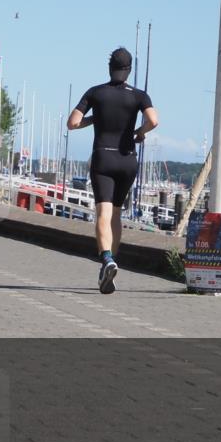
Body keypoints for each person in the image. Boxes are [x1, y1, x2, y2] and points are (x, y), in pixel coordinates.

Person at [67, 47, 158, 294]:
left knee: (103, 214)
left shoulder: (95, 93)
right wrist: (139, 133)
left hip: (103, 158)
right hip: (127, 159)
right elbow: (153, 120)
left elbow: (73, 123)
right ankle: (112, 261)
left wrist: (93, 119)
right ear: (129, 70)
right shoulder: (139, 95)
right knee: (117, 214)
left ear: (109, 67)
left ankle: (107, 259)